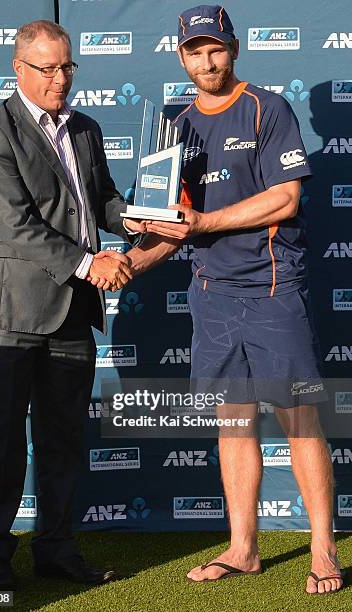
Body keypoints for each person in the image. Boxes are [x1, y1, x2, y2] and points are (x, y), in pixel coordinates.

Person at [127, 4, 345, 595]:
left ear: (235, 47)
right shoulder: (172, 126)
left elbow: (285, 199)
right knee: (232, 422)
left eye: (215, 48)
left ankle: (323, 551)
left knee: (300, 418)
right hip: (212, 296)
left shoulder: (267, 107)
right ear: (181, 57)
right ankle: (243, 548)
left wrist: (201, 224)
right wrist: (128, 259)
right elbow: (168, 227)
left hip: (272, 288)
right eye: (194, 51)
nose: (207, 60)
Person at [0, 20, 144, 590]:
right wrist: (92, 264)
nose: (60, 78)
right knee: (3, 438)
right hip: (7, 313)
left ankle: (57, 549)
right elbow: (17, 226)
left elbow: (100, 201)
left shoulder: (84, 128)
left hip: (70, 312)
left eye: (67, 67)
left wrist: (140, 217)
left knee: (63, 437)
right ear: (19, 69)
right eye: (47, 68)